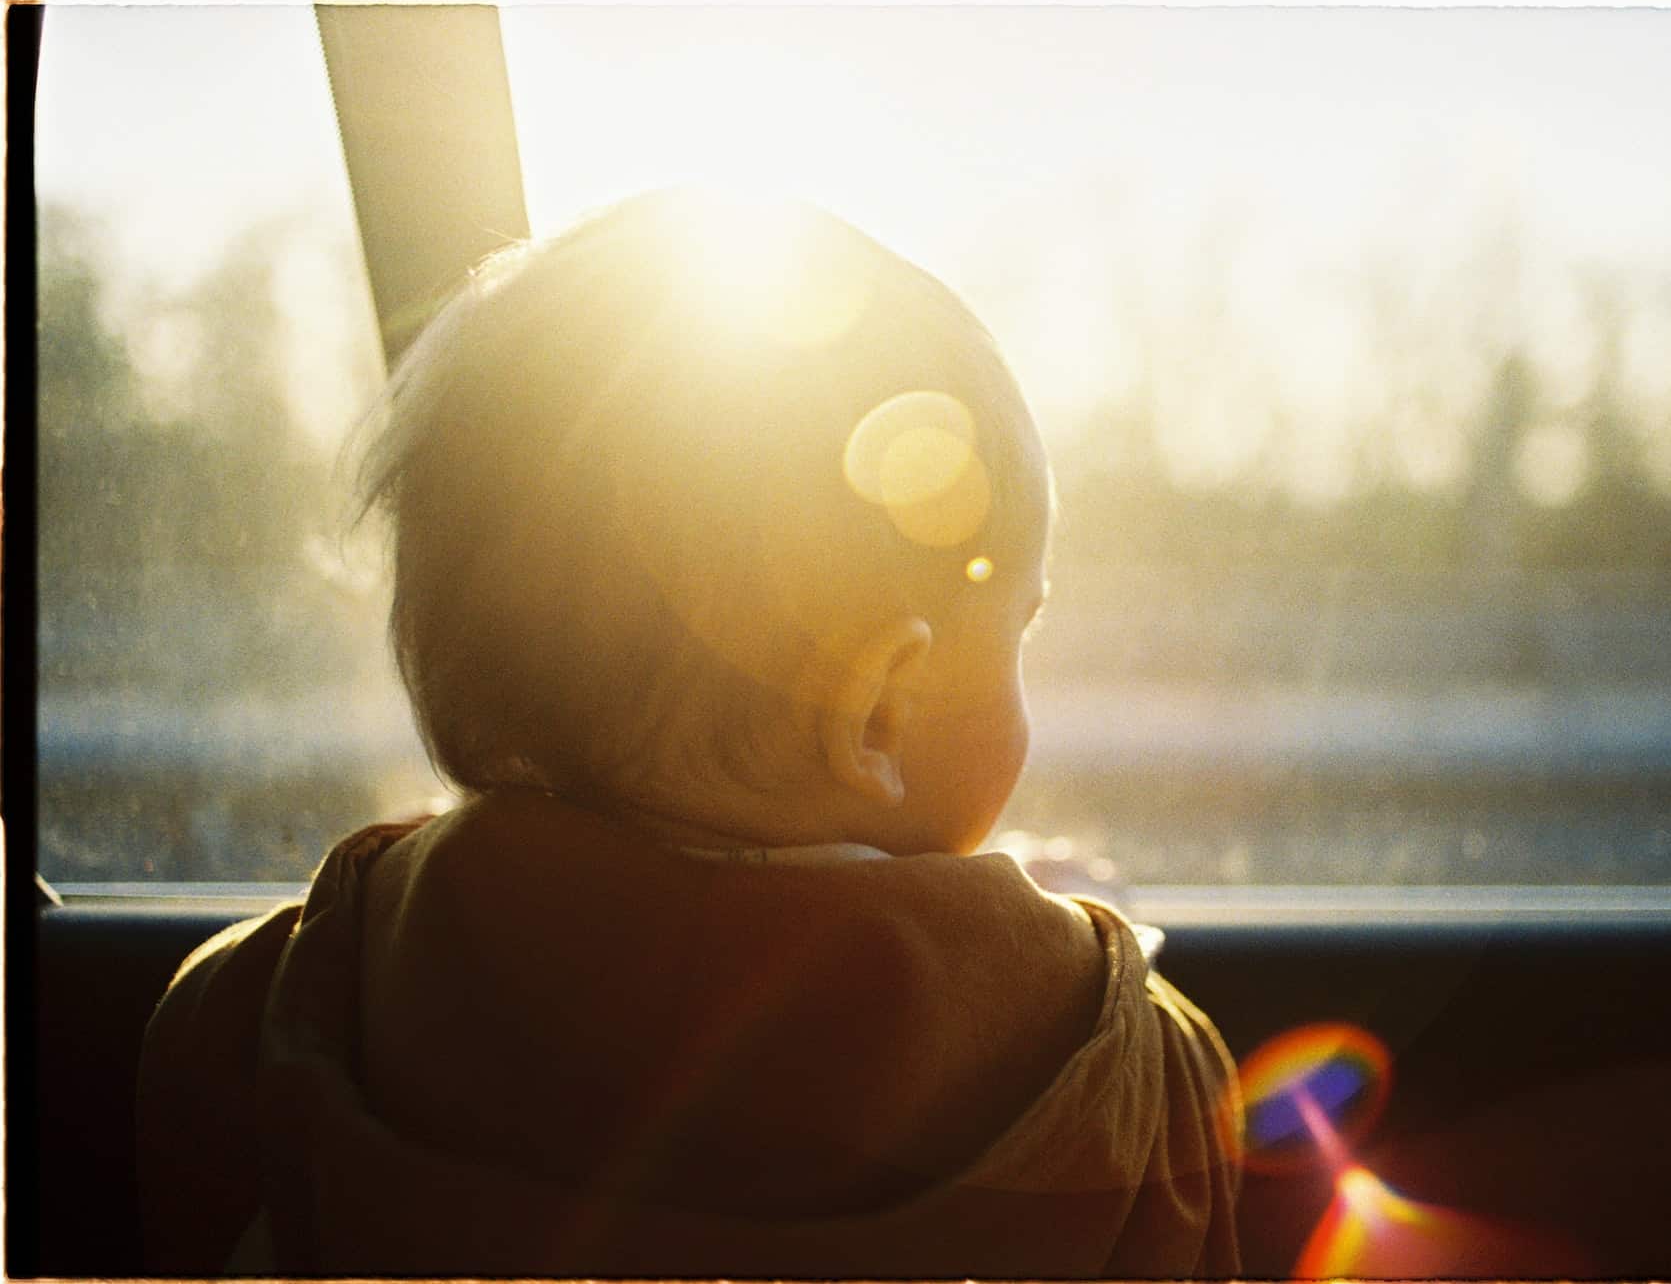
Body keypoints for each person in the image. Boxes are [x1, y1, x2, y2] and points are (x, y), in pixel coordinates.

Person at [136, 188, 1243, 1277]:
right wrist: (1055, 950)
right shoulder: (1124, 1077)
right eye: (1019, 637)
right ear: (880, 710)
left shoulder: (282, 1002)